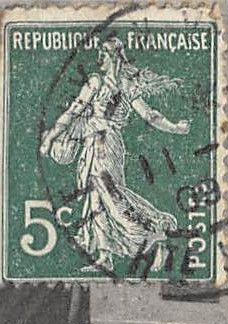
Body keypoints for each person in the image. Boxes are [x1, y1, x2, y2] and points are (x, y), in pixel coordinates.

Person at [39, 37, 189, 272]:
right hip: (98, 143)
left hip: (104, 145)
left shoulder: (100, 82)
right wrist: (175, 127)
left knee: (110, 195)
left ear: (113, 56)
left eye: (103, 53)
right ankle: (104, 254)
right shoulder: (116, 84)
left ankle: (157, 230)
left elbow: (149, 115)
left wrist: (175, 128)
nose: (99, 57)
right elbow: (74, 112)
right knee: (97, 198)